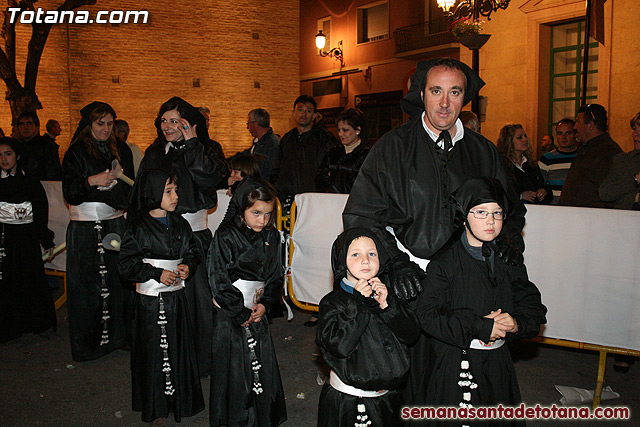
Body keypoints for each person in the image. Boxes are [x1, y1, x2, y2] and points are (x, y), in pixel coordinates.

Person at [343, 58, 526, 300]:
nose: (444, 103)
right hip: (411, 280)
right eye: (436, 91)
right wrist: (395, 262)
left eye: (455, 92)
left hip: (471, 278)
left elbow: (511, 209)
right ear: (422, 94)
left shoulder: (483, 151)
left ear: (464, 98)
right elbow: (362, 215)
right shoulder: (392, 147)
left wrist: (509, 239)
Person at [414, 177, 546, 421]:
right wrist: (482, 326)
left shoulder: (507, 257)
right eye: (481, 212)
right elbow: (427, 315)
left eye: (497, 213)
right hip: (456, 365)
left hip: (497, 361)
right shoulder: (445, 263)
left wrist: (518, 323)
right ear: (464, 215)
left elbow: (528, 298)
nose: (490, 221)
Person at [138, 96, 227, 377]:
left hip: (195, 237)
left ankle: (200, 363)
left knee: (200, 303)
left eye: (174, 120)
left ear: (189, 123)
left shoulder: (206, 149)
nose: (167, 126)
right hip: (160, 238)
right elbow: (141, 194)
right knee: (166, 301)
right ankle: (169, 359)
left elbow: (212, 180)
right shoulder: (154, 152)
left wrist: (191, 144)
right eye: (163, 120)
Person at [119, 170, 204, 425]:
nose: (175, 196)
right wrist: (155, 273)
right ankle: (156, 404)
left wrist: (188, 266)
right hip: (150, 303)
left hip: (176, 300)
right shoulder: (138, 226)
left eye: (176, 191)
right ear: (153, 192)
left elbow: (192, 250)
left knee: (178, 346)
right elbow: (126, 264)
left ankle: (181, 399)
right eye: (168, 191)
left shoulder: (180, 223)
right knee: (155, 351)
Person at [316, 228, 420, 426]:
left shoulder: (387, 296)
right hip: (348, 402)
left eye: (372, 254)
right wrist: (359, 305)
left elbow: (411, 334)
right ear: (341, 260)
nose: (365, 260)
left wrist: (388, 307)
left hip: (387, 399)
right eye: (356, 254)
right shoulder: (333, 303)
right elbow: (340, 346)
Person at [207, 177, 287, 427]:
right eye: (256, 213)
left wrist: (266, 304)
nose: (262, 220)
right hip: (232, 313)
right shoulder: (226, 236)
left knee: (260, 362)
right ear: (241, 208)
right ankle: (236, 418)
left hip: (257, 309)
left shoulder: (272, 236)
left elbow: (276, 274)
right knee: (234, 367)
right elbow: (218, 277)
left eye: (267, 214)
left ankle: (263, 415)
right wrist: (239, 312)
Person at [62, 101, 135, 362]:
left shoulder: (122, 150)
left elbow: (129, 191)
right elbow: (70, 191)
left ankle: (120, 336)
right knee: (86, 284)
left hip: (114, 224)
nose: (105, 129)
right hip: (84, 229)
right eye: (99, 124)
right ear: (89, 125)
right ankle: (89, 343)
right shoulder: (76, 153)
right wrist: (92, 181)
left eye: (109, 124)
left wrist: (115, 188)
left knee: (119, 280)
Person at [0, 137, 56, 342]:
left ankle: (32, 322)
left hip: (26, 239)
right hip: (4, 240)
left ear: (17, 156)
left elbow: (40, 212)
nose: (4, 159)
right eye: (0, 155)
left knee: (28, 279)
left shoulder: (29, 181)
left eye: (8, 154)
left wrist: (45, 239)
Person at [271, 95, 339, 209]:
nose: (303, 114)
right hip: (287, 199)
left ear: (314, 116)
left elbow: (331, 167)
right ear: (293, 113)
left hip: (314, 199)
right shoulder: (287, 139)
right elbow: (277, 167)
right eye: (300, 110)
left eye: (308, 111)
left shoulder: (324, 138)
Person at [559, 103, 623, 207]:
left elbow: (607, 193)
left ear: (590, 125)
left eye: (578, 122)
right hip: (575, 216)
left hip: (588, 218)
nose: (575, 126)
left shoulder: (607, 152)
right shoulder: (590, 148)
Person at [315, 108, 370, 194]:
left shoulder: (366, 155)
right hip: (329, 202)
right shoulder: (333, 152)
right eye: (339, 130)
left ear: (358, 130)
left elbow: (359, 184)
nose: (340, 134)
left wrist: (332, 175)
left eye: (345, 130)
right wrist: (343, 176)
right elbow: (318, 179)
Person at [497, 124, 552, 205]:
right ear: (509, 141)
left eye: (525, 136)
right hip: (513, 213)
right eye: (520, 137)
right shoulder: (502, 165)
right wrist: (520, 196)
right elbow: (499, 191)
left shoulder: (531, 164)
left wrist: (543, 192)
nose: (525, 139)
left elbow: (543, 186)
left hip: (535, 211)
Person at [599, 112, 640, 209]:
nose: (636, 134)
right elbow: (605, 193)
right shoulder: (623, 160)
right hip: (626, 220)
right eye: (634, 129)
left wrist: (637, 198)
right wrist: (635, 179)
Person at [538, 119, 579, 205]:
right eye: (560, 133)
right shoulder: (546, 159)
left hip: (578, 208)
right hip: (554, 208)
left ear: (576, 134)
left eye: (568, 133)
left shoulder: (583, 157)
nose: (563, 137)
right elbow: (540, 186)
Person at [236, 108, 280, 182]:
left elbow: (269, 174)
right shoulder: (258, 143)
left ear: (255, 123)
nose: (247, 127)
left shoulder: (272, 144)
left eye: (248, 123)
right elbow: (245, 156)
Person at [16, 111, 62, 181]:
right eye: (22, 124)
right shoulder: (16, 146)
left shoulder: (46, 146)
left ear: (37, 127)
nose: (25, 127)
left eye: (29, 124)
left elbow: (53, 172)